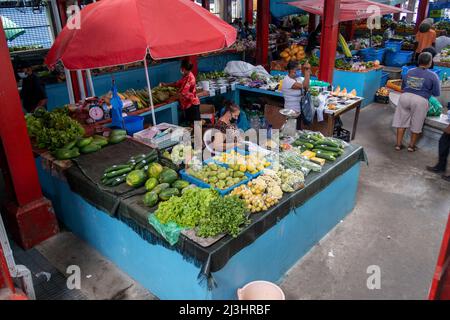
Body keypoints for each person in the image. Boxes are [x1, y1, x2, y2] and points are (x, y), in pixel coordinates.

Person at [393, 52, 441, 152]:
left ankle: (398, 145)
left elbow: (402, 87)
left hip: (405, 97)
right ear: (429, 62)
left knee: (401, 122)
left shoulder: (409, 72)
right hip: (420, 100)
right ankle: (411, 146)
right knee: (417, 123)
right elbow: (436, 93)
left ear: (419, 61)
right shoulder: (433, 75)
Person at [160, 59, 200, 125]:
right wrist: (166, 85)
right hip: (187, 105)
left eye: (181, 67)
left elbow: (181, 94)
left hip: (192, 105)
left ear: (183, 68)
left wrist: (169, 99)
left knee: (197, 127)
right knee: (191, 125)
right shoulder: (186, 75)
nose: (180, 69)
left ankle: (198, 135)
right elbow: (177, 83)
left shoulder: (190, 78)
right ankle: (193, 134)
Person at [281, 60, 311, 129]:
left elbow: (307, 87)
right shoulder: (287, 80)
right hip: (291, 111)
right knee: (291, 131)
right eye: (298, 69)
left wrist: (307, 72)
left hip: (299, 110)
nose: (300, 71)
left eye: (300, 69)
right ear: (291, 70)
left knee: (297, 130)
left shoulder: (298, 78)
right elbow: (304, 86)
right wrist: (307, 72)